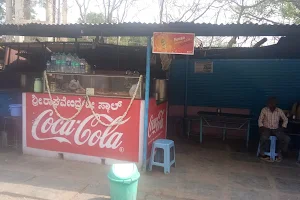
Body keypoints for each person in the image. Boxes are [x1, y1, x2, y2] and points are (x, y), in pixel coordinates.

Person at [258, 97, 290, 162]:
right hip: (266, 128)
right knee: (263, 137)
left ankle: (279, 153)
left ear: (276, 104)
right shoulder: (264, 110)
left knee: (286, 139)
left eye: (273, 104)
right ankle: (262, 154)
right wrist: (261, 127)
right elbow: (260, 120)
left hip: (276, 129)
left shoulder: (279, 111)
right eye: (270, 103)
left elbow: (285, 119)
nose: (271, 105)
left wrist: (283, 127)